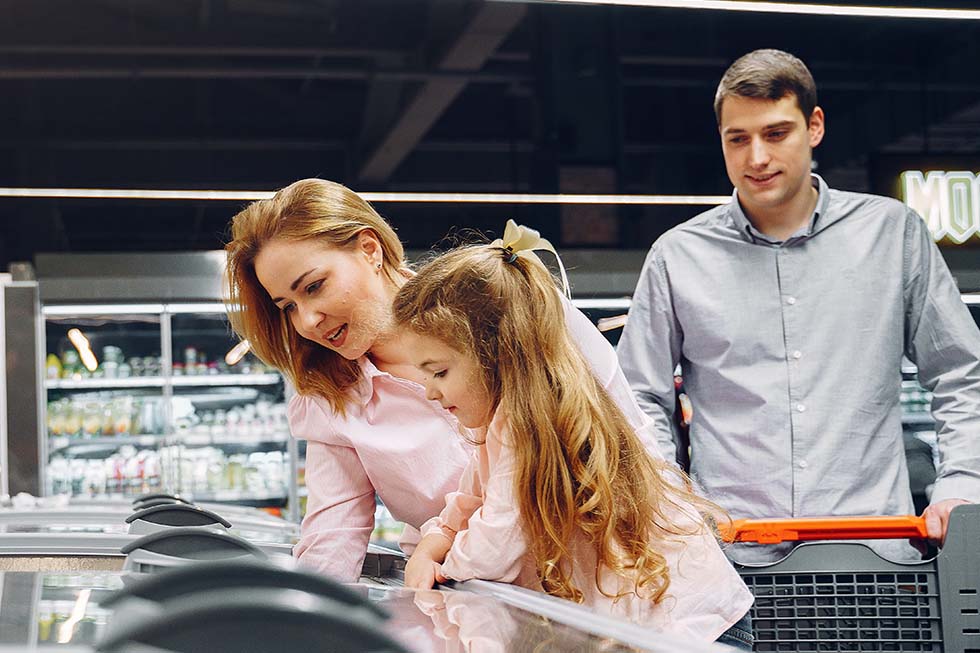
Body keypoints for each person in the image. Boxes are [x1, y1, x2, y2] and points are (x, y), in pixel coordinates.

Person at [617, 48, 980, 563]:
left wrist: (960, 485)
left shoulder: (893, 235)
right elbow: (637, 398)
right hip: (730, 560)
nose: (756, 158)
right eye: (737, 139)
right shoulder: (677, 257)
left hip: (874, 554)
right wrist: (674, 500)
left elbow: (963, 372)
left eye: (775, 133)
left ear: (814, 126)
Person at [224, 179, 658, 582]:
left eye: (314, 287)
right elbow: (331, 537)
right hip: (482, 611)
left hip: (615, 588)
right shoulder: (329, 396)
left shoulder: (506, 303)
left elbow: (634, 445)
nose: (308, 320)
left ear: (369, 250)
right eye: (287, 306)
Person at [393, 234, 754, 647]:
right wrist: (432, 543)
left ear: (497, 357)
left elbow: (496, 545)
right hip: (667, 622)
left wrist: (444, 567)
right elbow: (469, 501)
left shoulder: (529, 423)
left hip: (694, 626)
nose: (430, 391)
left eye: (438, 372)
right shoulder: (500, 424)